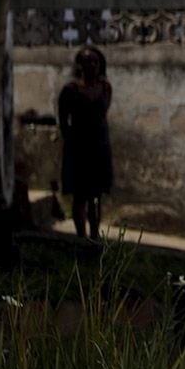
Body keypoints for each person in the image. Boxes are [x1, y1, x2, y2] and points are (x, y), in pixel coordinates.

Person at [58, 46, 114, 240]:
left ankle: (95, 235)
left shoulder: (105, 88)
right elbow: (64, 122)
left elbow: (102, 114)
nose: (92, 65)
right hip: (78, 148)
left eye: (96, 61)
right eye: (88, 61)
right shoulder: (70, 90)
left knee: (96, 196)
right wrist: (73, 145)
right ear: (79, 65)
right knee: (80, 196)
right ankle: (81, 237)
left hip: (99, 147)